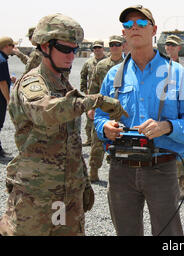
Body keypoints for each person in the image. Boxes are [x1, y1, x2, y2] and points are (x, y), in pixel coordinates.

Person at [0, 13, 128, 236]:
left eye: (75, 49)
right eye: (64, 49)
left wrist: (83, 181)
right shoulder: (33, 82)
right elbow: (46, 111)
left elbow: (69, 141)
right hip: (37, 196)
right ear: (44, 46)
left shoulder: (61, 82)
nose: (71, 55)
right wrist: (94, 100)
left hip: (67, 194)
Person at [94, 4, 184, 236]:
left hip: (161, 168)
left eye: (141, 23)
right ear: (124, 33)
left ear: (154, 29)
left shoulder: (176, 73)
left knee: (168, 234)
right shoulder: (113, 75)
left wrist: (166, 127)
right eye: (128, 25)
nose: (134, 28)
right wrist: (103, 127)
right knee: (125, 232)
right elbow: (99, 116)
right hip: (120, 170)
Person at [87, 35, 125, 182]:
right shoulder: (101, 65)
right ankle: (93, 170)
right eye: (112, 45)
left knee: (120, 140)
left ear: (122, 46)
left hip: (119, 110)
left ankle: (117, 173)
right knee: (97, 141)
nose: (115, 47)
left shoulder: (127, 64)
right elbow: (93, 88)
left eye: (117, 44)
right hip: (102, 109)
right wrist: (91, 108)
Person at [164, 34, 184, 200]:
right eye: (168, 45)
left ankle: (182, 184)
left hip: (180, 109)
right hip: (165, 109)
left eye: (173, 45)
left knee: (180, 146)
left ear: (179, 48)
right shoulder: (160, 63)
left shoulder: (183, 64)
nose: (170, 48)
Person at [80, 40, 107, 146]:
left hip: (105, 94)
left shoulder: (108, 61)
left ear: (103, 49)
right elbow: (83, 76)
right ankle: (90, 140)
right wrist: (84, 90)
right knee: (90, 118)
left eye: (99, 48)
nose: (97, 50)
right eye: (95, 48)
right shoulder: (88, 63)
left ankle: (104, 140)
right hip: (92, 94)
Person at [0, 37, 17, 157]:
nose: (13, 48)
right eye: (12, 46)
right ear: (6, 46)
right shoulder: (1, 61)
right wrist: (8, 99)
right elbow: (2, 83)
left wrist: (8, 78)